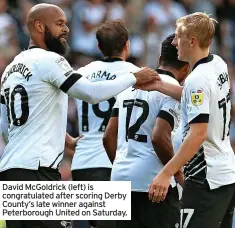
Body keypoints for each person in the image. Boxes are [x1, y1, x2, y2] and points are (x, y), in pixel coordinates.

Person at [0, 3, 158, 228]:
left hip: (11, 170)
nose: (66, 29)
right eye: (59, 24)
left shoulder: (12, 68)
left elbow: (13, 120)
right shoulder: (49, 60)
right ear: (38, 26)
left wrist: (63, 139)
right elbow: (91, 93)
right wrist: (135, 77)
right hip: (38, 171)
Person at [142, 12, 235, 228]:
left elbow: (198, 133)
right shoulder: (218, 63)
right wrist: (160, 85)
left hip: (206, 181)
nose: (174, 43)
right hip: (226, 173)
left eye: (177, 37)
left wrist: (166, 173)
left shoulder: (196, 80)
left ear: (192, 41)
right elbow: (200, 99)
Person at [103, 34, 189, 228]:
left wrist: (123, 166)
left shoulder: (130, 85)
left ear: (159, 60)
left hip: (120, 178)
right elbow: (159, 137)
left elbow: (108, 136)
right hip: (153, 182)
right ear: (187, 67)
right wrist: (177, 174)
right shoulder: (173, 90)